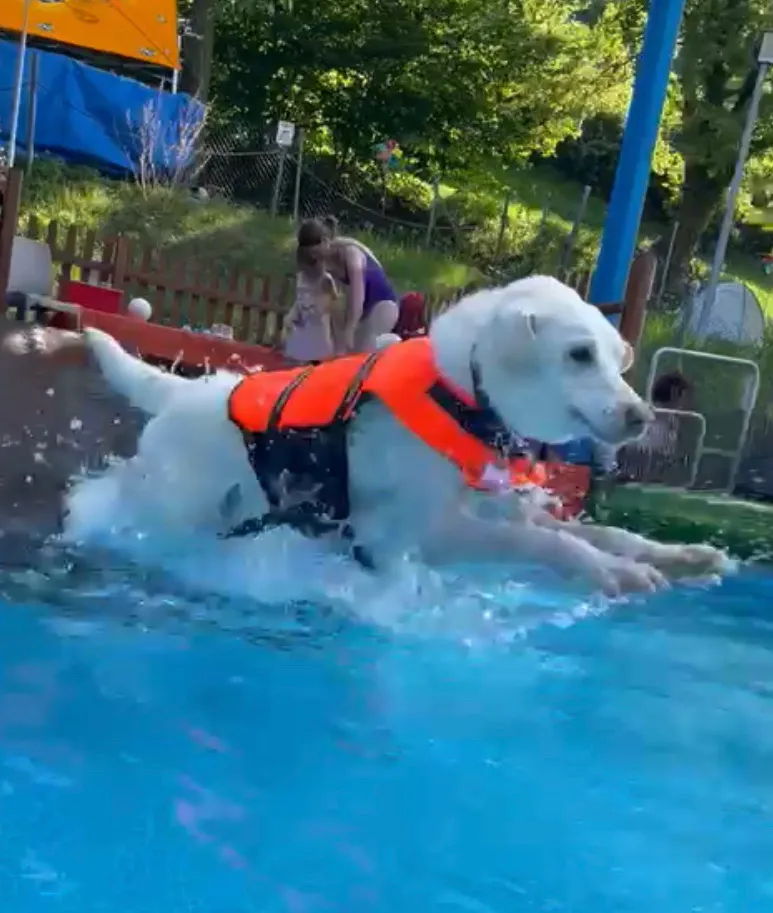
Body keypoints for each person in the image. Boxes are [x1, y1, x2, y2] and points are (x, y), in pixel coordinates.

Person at [296, 219, 399, 354]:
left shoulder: (351, 254)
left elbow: (357, 296)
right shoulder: (329, 264)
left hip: (383, 306)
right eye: (311, 255)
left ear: (325, 241)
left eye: (316, 252)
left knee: (364, 351)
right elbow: (334, 300)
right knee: (351, 353)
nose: (315, 257)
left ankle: (397, 344)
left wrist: (350, 327)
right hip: (365, 311)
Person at [281, 246, 338, 364]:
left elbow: (330, 303)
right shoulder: (300, 277)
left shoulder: (325, 279)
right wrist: (291, 317)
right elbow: (299, 300)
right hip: (300, 330)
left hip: (318, 332)